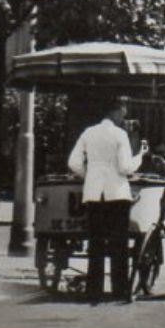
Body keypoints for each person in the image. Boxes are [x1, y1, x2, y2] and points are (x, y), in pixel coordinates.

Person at [67, 97, 149, 304]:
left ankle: (93, 291)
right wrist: (140, 156)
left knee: (95, 244)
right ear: (115, 111)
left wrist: (90, 176)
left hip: (94, 194)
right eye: (123, 112)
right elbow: (124, 168)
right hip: (116, 194)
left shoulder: (88, 132)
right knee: (118, 244)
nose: (124, 116)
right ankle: (119, 291)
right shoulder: (120, 135)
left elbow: (73, 162)